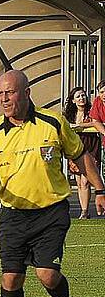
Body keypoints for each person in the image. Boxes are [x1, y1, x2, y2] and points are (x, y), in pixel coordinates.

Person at [0, 69, 105, 297]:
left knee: (47, 275)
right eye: (0, 94)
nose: (4, 99)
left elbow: (80, 155)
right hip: (13, 215)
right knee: (10, 278)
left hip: (51, 211)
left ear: (27, 93)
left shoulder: (52, 123)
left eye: (10, 93)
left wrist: (100, 190)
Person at [62, 87, 105, 219]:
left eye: (83, 96)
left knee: (86, 181)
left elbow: (96, 122)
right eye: (78, 96)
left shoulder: (91, 111)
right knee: (79, 182)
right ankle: (83, 210)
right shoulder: (69, 115)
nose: (82, 98)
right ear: (73, 100)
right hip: (75, 146)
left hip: (90, 145)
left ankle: (85, 211)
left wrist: (80, 125)